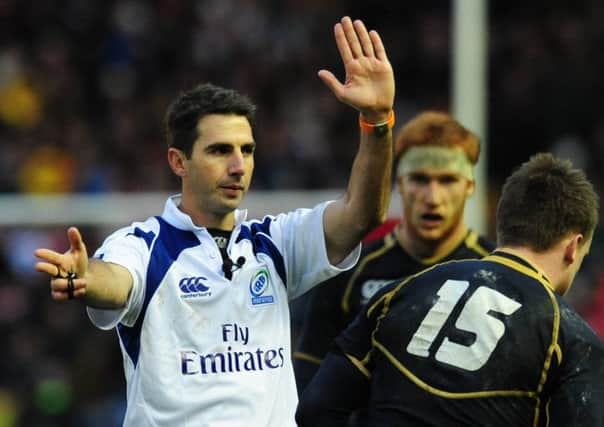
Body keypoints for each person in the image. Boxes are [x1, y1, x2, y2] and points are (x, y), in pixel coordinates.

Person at [33, 16, 395, 427]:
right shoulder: (142, 244)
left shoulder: (274, 242)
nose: (239, 166)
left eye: (248, 149)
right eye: (221, 150)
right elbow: (116, 282)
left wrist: (377, 121)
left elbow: (362, 214)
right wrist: (86, 277)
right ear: (178, 161)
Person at [296, 152, 604, 427]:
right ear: (574, 247)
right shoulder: (570, 336)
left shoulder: (403, 290)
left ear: (504, 225)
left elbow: (314, 409)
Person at [293, 111, 495, 393]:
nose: (432, 198)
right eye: (420, 179)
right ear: (399, 184)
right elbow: (309, 377)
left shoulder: (498, 272)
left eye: (447, 180)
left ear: (470, 186)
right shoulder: (351, 271)